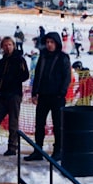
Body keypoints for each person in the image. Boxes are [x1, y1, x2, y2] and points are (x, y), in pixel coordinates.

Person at [26, 31, 71, 161]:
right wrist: (34, 93)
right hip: (43, 96)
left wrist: (61, 93)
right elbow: (37, 75)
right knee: (39, 124)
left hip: (57, 97)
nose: (49, 45)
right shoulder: (43, 56)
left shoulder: (63, 57)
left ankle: (58, 150)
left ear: (57, 43)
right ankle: (38, 150)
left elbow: (66, 77)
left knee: (58, 125)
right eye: (47, 42)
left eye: (51, 42)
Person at [0, 37, 30, 156]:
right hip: (2, 95)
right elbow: (0, 75)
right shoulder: (2, 61)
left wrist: (13, 79)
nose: (7, 47)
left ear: (13, 45)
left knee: (13, 123)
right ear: (2, 47)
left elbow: (25, 75)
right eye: (5, 45)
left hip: (14, 95)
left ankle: (12, 147)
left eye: (9, 45)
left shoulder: (19, 59)